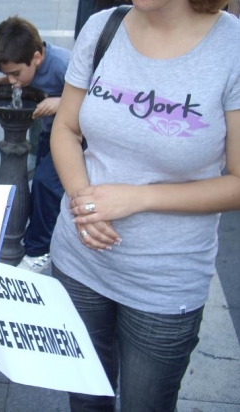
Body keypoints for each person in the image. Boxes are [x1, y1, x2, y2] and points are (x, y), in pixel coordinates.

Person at [50, 0, 240, 410]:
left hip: (163, 284)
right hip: (78, 262)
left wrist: (139, 197)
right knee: (85, 399)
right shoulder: (103, 27)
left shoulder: (232, 48)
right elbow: (65, 127)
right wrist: (83, 202)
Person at [0, 16, 70, 273]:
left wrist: (62, 102)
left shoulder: (63, 64)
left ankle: (39, 250)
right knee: (41, 188)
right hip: (50, 133)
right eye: (6, 74)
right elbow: (19, 76)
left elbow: (96, 94)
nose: (12, 81)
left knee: (45, 183)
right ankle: (39, 233)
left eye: (15, 74)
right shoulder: (26, 62)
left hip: (75, 138)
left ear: (37, 58)